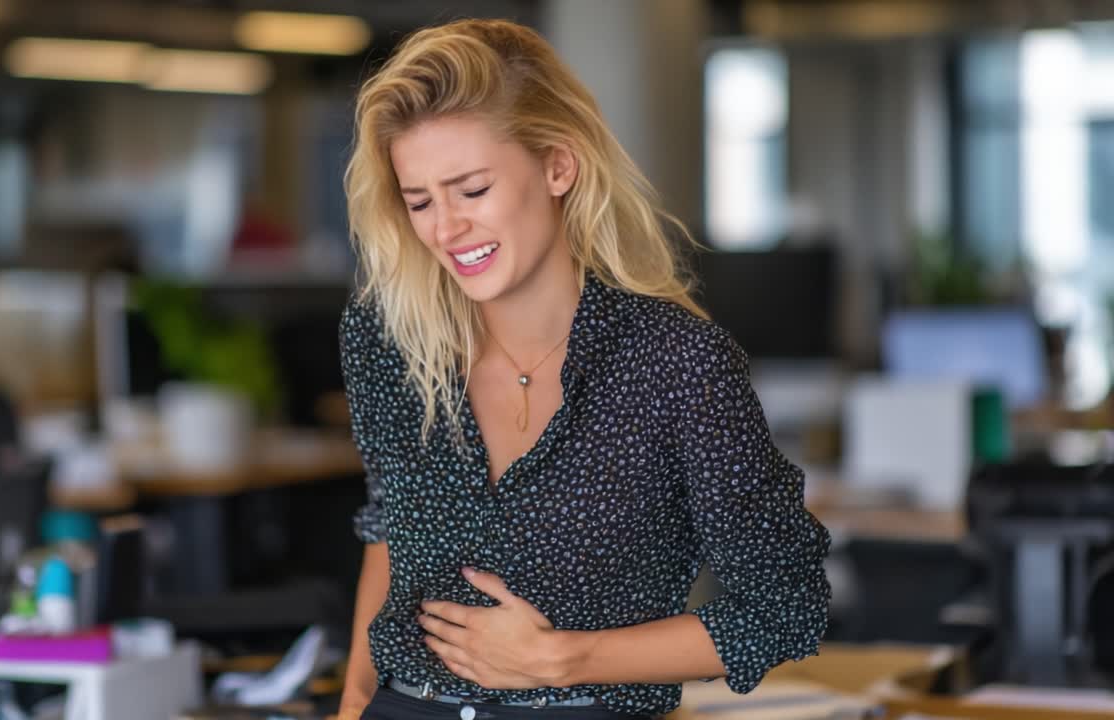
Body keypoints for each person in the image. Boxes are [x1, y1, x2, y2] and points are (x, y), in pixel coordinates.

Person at [337, 19, 831, 720]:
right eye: (420, 201)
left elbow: (785, 609)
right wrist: (353, 701)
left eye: (471, 190)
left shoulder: (676, 362)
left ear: (558, 167)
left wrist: (563, 656)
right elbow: (389, 536)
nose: (446, 228)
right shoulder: (389, 340)